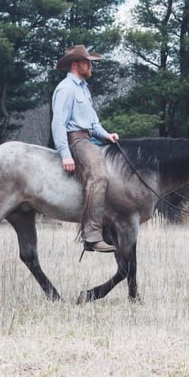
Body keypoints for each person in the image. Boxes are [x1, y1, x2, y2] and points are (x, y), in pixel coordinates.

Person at [51, 45, 119, 253]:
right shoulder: (66, 88)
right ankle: (91, 236)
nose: (91, 66)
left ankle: (108, 225)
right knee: (99, 176)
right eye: (87, 62)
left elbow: (93, 121)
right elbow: (58, 123)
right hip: (76, 141)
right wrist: (65, 154)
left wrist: (106, 134)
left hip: (89, 138)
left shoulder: (82, 88)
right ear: (75, 64)